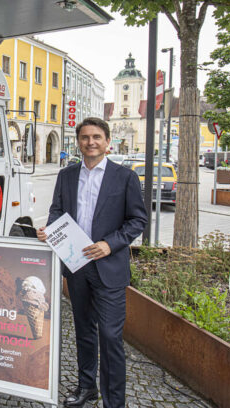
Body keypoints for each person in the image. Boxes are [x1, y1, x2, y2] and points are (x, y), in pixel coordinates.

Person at [36, 117, 147, 408]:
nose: (91, 142)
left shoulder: (125, 177)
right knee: (84, 331)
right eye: (85, 137)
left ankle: (114, 402)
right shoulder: (67, 175)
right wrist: (49, 231)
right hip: (77, 267)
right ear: (78, 142)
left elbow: (138, 220)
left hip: (108, 270)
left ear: (107, 141)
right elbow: (57, 211)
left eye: (97, 137)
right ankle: (87, 388)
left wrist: (109, 244)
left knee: (110, 337)